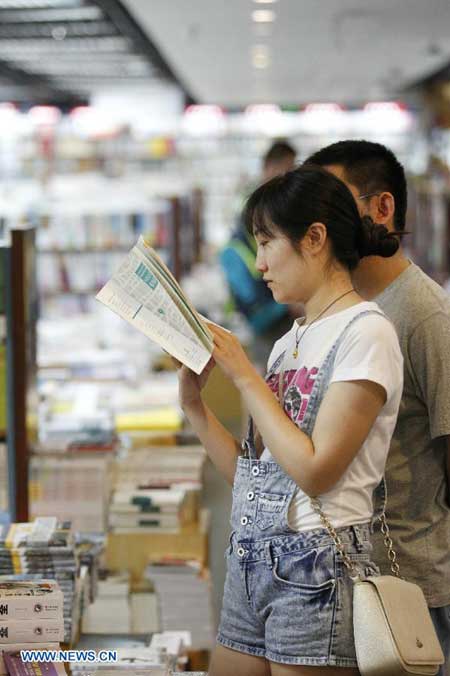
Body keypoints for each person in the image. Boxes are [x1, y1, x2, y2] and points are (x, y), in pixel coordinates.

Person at [178, 166, 403, 675]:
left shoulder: (366, 334)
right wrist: (194, 405)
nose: (258, 265)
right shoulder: (289, 341)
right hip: (251, 559)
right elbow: (254, 481)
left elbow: (316, 471)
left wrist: (243, 376)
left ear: (315, 239)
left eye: (266, 243)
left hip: (317, 569)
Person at [306, 139, 450, 674]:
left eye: (333, 205)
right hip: (348, 574)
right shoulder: (344, 310)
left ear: (381, 208)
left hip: (409, 587)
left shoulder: (423, 314)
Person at [220, 140, 296, 366]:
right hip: (267, 321)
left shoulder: (283, 207)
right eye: (285, 168)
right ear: (268, 167)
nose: (287, 176)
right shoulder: (257, 209)